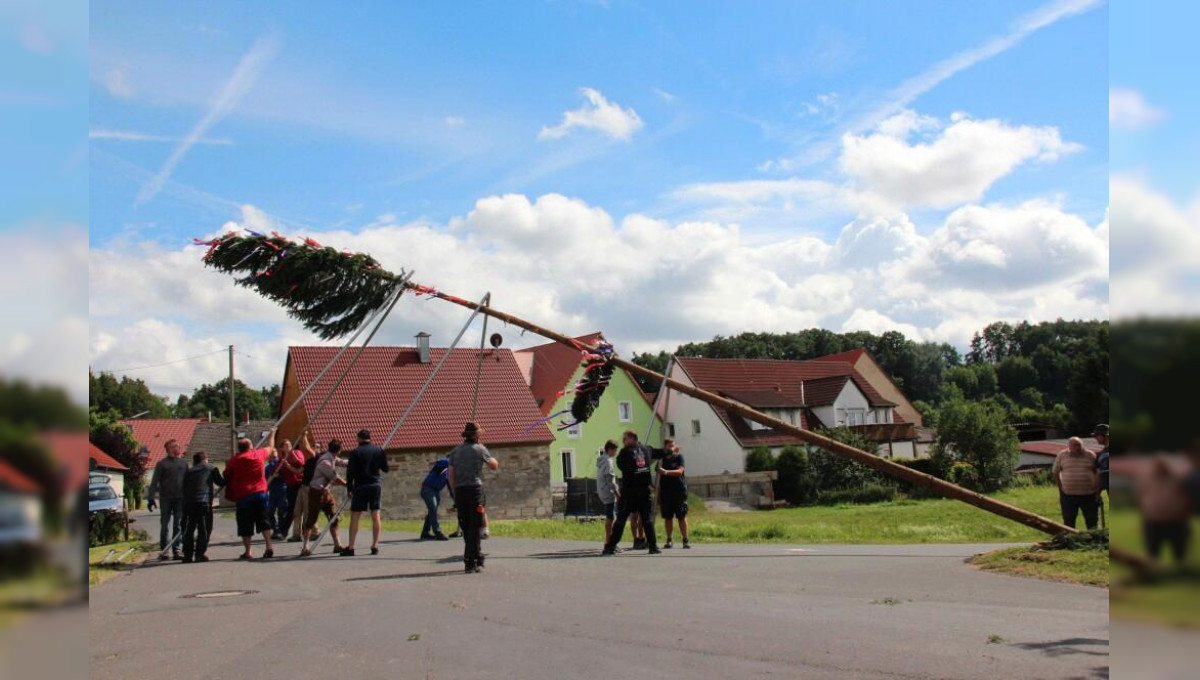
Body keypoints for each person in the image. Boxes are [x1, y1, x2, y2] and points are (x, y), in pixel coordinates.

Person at [448, 422, 498, 573]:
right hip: (475, 490)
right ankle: (471, 560)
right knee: (475, 525)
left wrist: (455, 493)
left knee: (465, 525)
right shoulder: (480, 449)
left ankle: (476, 556)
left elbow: (451, 475)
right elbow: (494, 465)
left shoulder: (455, 451)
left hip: (460, 491)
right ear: (476, 436)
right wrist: (490, 457)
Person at [602, 431, 660, 556]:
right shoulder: (646, 449)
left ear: (632, 438)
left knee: (621, 520)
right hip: (644, 491)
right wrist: (670, 451)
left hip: (629, 492)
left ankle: (610, 547)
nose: (623, 442)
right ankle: (653, 546)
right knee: (647, 519)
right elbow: (658, 452)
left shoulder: (625, 452)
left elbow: (620, 464)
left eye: (625, 439)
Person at [223, 430, 277, 559]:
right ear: (250, 447)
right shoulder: (257, 455)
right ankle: (269, 545)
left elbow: (226, 475)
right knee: (263, 520)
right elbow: (271, 447)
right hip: (260, 494)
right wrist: (272, 434)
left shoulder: (234, 460)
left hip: (243, 496)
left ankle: (248, 551)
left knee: (245, 523)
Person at [342, 429, 390, 556]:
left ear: (359, 438)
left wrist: (349, 489)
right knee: (376, 515)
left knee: (355, 516)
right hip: (375, 484)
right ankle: (375, 545)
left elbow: (350, 473)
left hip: (360, 486)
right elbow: (386, 469)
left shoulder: (355, 452)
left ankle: (351, 547)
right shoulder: (379, 450)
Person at [1137, 455, 1192, 565]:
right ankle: (1153, 573)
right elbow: (1140, 496)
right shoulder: (1146, 479)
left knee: (1179, 553)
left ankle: (1180, 573)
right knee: (1153, 553)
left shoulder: (1178, 479)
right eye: (1157, 466)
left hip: (1176, 521)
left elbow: (1188, 497)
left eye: (1162, 466)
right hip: (1153, 521)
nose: (1160, 468)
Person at [300, 439, 348, 557]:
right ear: (338, 450)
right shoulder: (325, 462)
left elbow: (342, 462)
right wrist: (348, 485)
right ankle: (305, 546)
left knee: (333, 517)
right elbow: (335, 478)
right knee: (311, 519)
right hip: (316, 492)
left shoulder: (332, 457)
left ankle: (337, 544)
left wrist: (357, 460)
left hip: (326, 492)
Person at [147, 439, 188, 560]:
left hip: (180, 498)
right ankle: (164, 550)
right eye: (175, 446)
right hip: (166, 498)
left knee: (178, 524)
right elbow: (154, 482)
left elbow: (188, 481)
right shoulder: (162, 464)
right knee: (165, 524)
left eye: (178, 446)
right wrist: (150, 498)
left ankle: (177, 550)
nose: (178, 448)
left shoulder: (184, 463)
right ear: (169, 449)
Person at [180, 451, 224, 563]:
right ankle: (199, 554)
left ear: (195, 461)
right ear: (205, 459)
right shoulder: (211, 468)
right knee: (204, 529)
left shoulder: (189, 471)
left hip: (189, 503)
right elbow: (220, 482)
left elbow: (183, 487)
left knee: (189, 529)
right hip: (203, 503)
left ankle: (187, 555)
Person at [1052, 436, 1100, 530]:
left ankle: (1094, 541)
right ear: (1069, 446)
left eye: (1079, 445)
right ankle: (1071, 541)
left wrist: (1096, 489)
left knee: (1092, 521)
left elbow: (1097, 472)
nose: (1077, 447)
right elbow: (1055, 472)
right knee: (1069, 521)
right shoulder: (1062, 455)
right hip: (1068, 495)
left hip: (1089, 494)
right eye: (1075, 445)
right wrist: (1060, 487)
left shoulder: (1090, 455)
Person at [276, 436, 310, 542]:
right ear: (282, 448)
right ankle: (287, 532)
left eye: (289, 444)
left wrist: (292, 454)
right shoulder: (281, 460)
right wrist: (280, 468)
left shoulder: (297, 453)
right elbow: (277, 472)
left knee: (304, 509)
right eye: (286, 445)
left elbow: (300, 464)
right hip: (290, 486)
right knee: (292, 509)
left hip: (300, 484)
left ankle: (307, 531)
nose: (289, 446)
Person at [657, 440, 690, 549]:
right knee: (668, 517)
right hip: (665, 492)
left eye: (673, 445)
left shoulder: (679, 457)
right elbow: (657, 471)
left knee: (681, 516)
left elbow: (680, 471)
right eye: (670, 446)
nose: (672, 448)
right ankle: (669, 539)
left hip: (679, 491)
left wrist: (666, 472)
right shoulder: (661, 460)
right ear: (665, 448)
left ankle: (685, 540)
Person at [419, 458, 451, 541]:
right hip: (427, 489)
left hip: (435, 491)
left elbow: (450, 486)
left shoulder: (450, 472)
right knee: (433, 509)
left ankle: (425, 533)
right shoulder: (446, 463)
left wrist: (455, 499)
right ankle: (438, 532)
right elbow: (439, 464)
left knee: (432, 511)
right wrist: (449, 461)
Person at [596, 441, 619, 548]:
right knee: (611, 516)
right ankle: (609, 542)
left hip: (602, 490)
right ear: (610, 449)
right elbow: (610, 479)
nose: (616, 452)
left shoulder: (602, 460)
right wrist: (617, 493)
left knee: (610, 515)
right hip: (608, 491)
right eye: (615, 450)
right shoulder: (608, 461)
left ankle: (609, 541)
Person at [264, 450, 288, 540]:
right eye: (272, 457)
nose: (274, 459)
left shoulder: (281, 465)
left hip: (282, 491)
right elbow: (266, 481)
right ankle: (275, 529)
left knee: (281, 513)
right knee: (269, 512)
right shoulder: (267, 468)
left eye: (275, 457)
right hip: (272, 492)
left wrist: (279, 476)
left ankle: (282, 531)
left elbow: (286, 477)